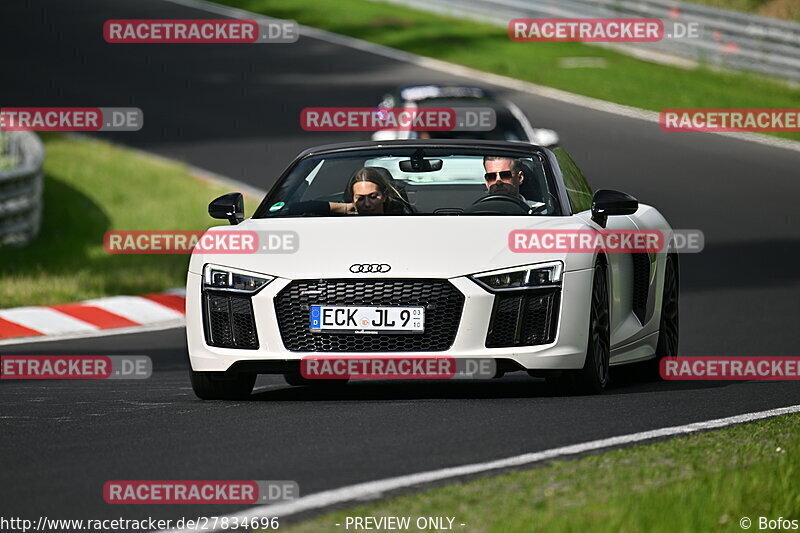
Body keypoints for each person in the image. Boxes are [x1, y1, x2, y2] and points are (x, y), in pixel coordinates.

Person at [285, 167, 412, 216]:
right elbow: (295, 209)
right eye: (360, 198)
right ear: (352, 199)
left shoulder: (403, 217)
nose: (367, 204)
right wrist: (345, 208)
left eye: (373, 197)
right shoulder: (345, 219)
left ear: (384, 196)